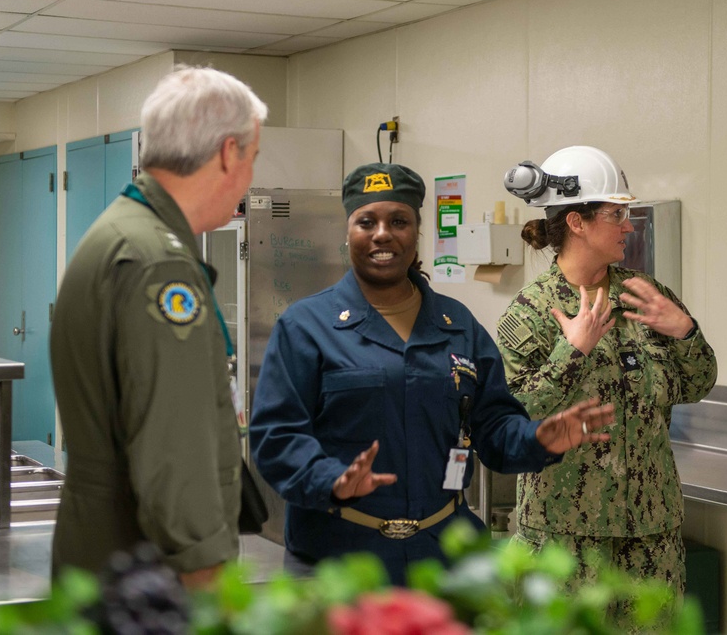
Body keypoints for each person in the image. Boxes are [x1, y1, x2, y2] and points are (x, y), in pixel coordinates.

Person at [248, 162, 615, 585]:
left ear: (416, 230)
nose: (382, 233)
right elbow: (277, 437)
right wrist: (331, 479)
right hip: (339, 562)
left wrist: (538, 439)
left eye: (398, 221)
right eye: (366, 221)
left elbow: (494, 426)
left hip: (443, 562)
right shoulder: (307, 326)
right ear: (347, 232)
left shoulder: (456, 325)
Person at [49, 66, 268, 589]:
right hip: (148, 572)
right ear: (227, 153)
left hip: (109, 557)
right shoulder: (159, 266)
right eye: (253, 158)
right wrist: (205, 570)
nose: (249, 176)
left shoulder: (123, 232)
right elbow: (175, 447)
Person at [496, 146, 718, 602]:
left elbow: (697, 383)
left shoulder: (644, 294)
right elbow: (509, 421)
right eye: (617, 215)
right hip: (564, 538)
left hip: (650, 536)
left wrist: (685, 333)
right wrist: (571, 352)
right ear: (577, 222)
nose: (629, 226)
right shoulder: (531, 313)